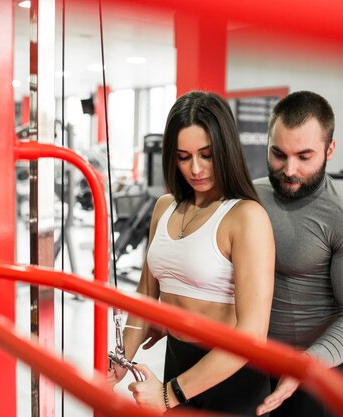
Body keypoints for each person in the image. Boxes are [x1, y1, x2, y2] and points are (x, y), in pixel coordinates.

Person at [108, 90, 275, 415]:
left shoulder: (245, 216)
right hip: (178, 359)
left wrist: (169, 395)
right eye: (184, 156)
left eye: (206, 154)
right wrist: (117, 360)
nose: (195, 168)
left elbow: (252, 334)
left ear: (224, 150)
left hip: (231, 376)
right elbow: (145, 295)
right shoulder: (164, 207)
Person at [253, 91, 343, 417]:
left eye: (304, 156)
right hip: (248, 363)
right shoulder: (249, 196)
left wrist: (305, 364)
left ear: (330, 150)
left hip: (315, 373)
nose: (289, 169)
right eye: (278, 154)